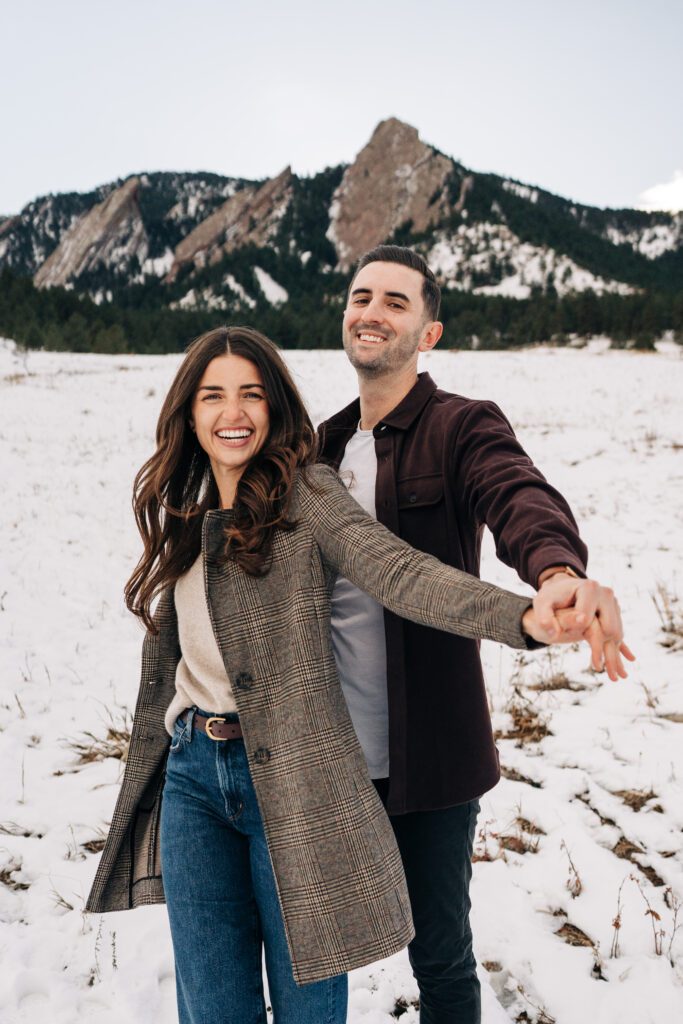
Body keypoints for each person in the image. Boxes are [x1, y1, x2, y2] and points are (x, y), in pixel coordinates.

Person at [84, 325, 616, 1024]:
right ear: (189, 414)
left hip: (293, 780)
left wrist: (524, 617)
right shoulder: (187, 511)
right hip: (192, 779)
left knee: (309, 1007)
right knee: (212, 1008)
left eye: (250, 394)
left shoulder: (306, 494)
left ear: (274, 408)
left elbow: (399, 572)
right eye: (212, 397)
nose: (231, 412)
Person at [318, 245, 634, 1024]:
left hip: (430, 753)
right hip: (323, 754)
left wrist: (554, 569)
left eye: (396, 302)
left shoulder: (460, 425)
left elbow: (515, 490)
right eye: (362, 297)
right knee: (308, 952)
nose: (373, 312)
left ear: (428, 333)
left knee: (441, 958)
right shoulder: (317, 446)